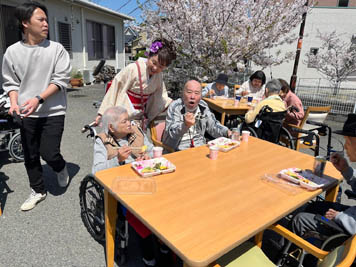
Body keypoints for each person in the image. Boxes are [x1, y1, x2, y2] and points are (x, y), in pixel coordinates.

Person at [2, 1, 71, 211]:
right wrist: (14, 103)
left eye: (46, 19)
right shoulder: (12, 52)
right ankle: (38, 190)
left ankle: (60, 167)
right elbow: (10, 82)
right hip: (25, 112)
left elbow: (61, 80)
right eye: (40, 19)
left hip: (53, 110)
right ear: (25, 23)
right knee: (30, 154)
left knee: (49, 153)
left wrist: (38, 99)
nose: (46, 23)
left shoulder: (56, 49)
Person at [92, 106, 171, 267]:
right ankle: (148, 254)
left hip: (146, 179)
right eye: (125, 121)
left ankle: (165, 243)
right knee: (140, 215)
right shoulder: (102, 141)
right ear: (111, 127)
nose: (130, 123)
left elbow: (148, 148)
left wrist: (147, 156)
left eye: (129, 119)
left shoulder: (137, 132)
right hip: (123, 188)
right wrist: (118, 160)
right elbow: (96, 171)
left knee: (168, 201)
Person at [292, 113, 356, 237]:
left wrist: (339, 217)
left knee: (300, 219)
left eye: (348, 142)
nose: (345, 146)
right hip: (350, 215)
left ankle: (287, 253)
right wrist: (345, 169)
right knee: (315, 206)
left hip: (345, 229)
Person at [95, 39, 176, 128]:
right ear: (149, 56)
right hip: (124, 114)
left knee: (140, 140)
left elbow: (160, 96)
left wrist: (172, 104)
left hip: (140, 118)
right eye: (154, 62)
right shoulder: (132, 69)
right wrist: (102, 113)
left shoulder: (158, 76)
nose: (155, 68)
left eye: (161, 66)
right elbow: (115, 88)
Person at [162, 80, 231, 151]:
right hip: (177, 148)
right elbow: (171, 132)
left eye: (196, 93)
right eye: (189, 92)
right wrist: (185, 125)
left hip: (199, 145)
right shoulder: (175, 106)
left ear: (201, 95)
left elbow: (213, 125)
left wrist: (227, 132)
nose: (192, 96)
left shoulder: (203, 106)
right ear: (183, 93)